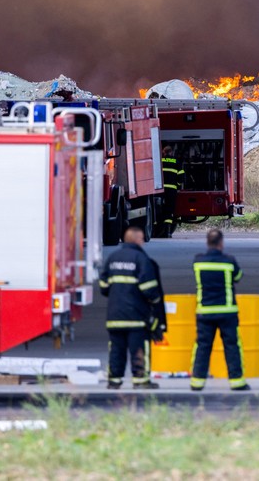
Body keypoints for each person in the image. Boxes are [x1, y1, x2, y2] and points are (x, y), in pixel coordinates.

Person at [99, 226, 165, 389]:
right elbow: (148, 288)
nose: (143, 242)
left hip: (114, 316)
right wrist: (156, 303)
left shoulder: (113, 258)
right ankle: (140, 380)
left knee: (116, 350)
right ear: (136, 239)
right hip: (136, 316)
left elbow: (103, 287)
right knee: (139, 349)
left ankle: (114, 381)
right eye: (141, 238)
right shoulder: (141, 259)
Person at [189, 229, 250, 391]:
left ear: (207, 243)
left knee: (202, 347)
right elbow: (238, 277)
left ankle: (197, 382)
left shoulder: (198, 261)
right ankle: (237, 381)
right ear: (221, 243)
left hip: (205, 311)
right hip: (227, 311)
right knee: (231, 346)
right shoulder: (229, 261)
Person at [160, 146, 184, 236]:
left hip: (159, 191)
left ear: (164, 152)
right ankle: (167, 231)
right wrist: (178, 186)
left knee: (160, 208)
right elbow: (181, 177)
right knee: (169, 209)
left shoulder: (160, 161)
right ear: (171, 153)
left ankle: (159, 229)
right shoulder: (176, 162)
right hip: (171, 190)